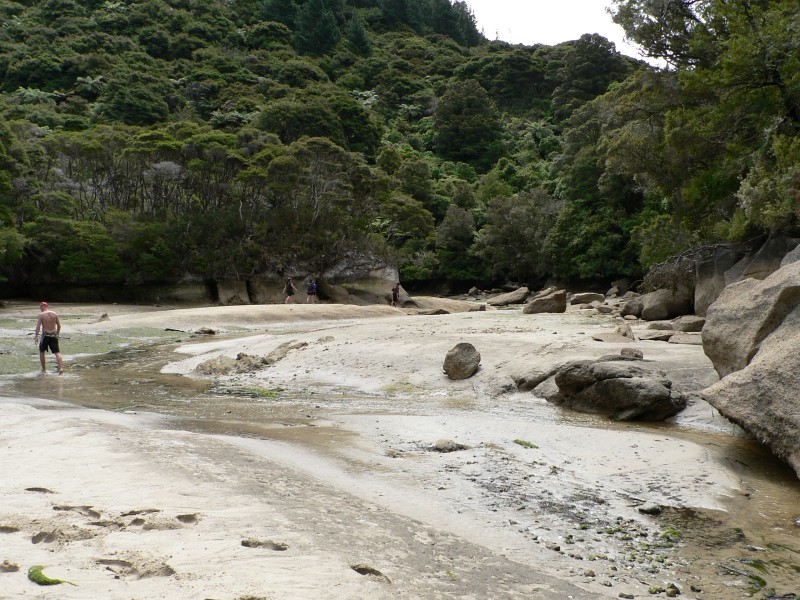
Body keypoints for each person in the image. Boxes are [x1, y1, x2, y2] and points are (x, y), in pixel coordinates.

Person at [35, 301, 64, 374]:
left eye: (40, 307)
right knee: (57, 352)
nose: (40, 309)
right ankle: (61, 368)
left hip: (45, 335)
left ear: (42, 306)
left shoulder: (41, 315)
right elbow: (59, 326)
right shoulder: (54, 314)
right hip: (53, 335)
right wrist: (57, 334)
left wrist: (36, 337)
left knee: (42, 352)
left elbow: (38, 327)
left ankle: (44, 370)